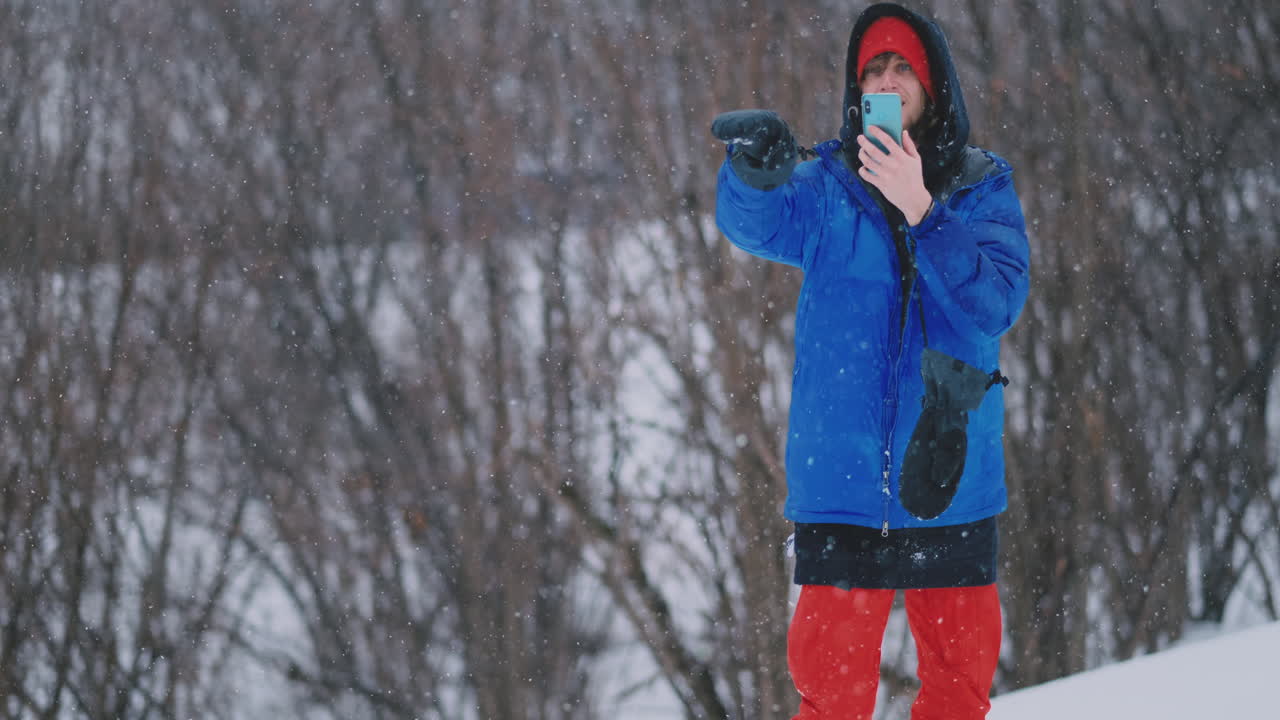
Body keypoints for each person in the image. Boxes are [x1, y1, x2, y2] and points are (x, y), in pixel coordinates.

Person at [711, 3, 1030, 719]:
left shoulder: (982, 188)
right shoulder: (828, 186)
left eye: (901, 67)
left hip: (951, 475)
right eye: (873, 70)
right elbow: (750, 225)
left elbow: (996, 302)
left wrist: (924, 209)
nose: (886, 81)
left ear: (933, 83)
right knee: (829, 699)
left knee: (958, 693)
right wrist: (754, 175)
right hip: (842, 481)